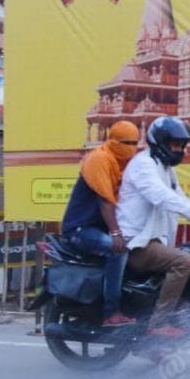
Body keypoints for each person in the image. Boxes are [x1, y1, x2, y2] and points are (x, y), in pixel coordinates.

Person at [116, 116, 190, 339]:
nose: (180, 150)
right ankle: (159, 324)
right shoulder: (143, 164)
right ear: (160, 142)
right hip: (137, 243)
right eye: (175, 144)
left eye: (182, 145)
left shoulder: (165, 169)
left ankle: (156, 343)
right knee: (182, 261)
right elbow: (160, 196)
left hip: (154, 241)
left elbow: (180, 199)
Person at [59, 120, 141, 328]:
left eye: (134, 143)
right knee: (118, 251)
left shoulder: (122, 163)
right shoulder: (99, 159)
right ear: (112, 141)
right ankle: (111, 312)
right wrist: (115, 233)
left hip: (99, 227)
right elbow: (105, 201)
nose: (130, 147)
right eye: (125, 142)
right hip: (81, 229)